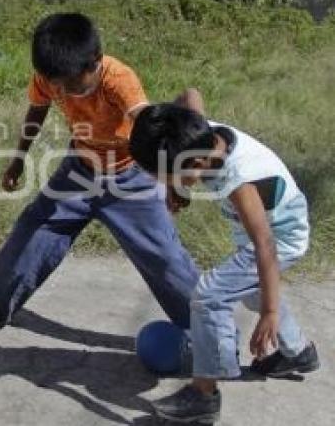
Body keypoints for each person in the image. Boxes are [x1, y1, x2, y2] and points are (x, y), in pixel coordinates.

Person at [0, 13, 200, 336]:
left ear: (94, 63)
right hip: (78, 172)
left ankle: (211, 331)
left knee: (165, 259)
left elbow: (149, 127)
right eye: (54, 83)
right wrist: (18, 159)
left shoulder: (118, 80)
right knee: (32, 231)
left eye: (68, 84)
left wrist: (171, 181)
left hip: (129, 178)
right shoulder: (52, 75)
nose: (60, 90)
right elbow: (36, 110)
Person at [129, 95, 319, 424]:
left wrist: (271, 313)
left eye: (163, 176)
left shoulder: (238, 179)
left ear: (195, 165)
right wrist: (179, 185)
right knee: (251, 289)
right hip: (264, 228)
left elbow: (266, 246)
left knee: (210, 294)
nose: (161, 183)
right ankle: (299, 351)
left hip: (280, 237)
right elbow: (191, 95)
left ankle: (204, 395)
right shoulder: (200, 133)